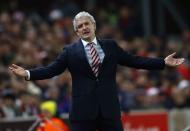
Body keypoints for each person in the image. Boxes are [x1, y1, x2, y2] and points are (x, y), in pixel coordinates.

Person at [9, 11, 185, 131]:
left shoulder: (111, 46)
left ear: (94, 25)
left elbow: (135, 61)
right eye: (80, 26)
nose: (84, 28)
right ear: (77, 32)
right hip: (82, 111)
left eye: (87, 24)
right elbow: (52, 70)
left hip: (109, 109)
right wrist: (28, 74)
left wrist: (162, 62)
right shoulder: (69, 51)